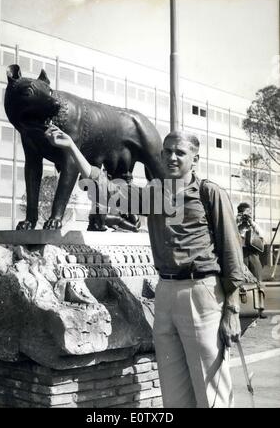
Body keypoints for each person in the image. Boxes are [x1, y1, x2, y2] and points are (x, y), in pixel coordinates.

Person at [45, 125, 244, 408]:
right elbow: (104, 188)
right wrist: (70, 147)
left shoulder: (208, 193)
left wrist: (232, 311)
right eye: (167, 152)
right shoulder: (155, 195)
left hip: (202, 291)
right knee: (173, 391)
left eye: (180, 152)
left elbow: (231, 252)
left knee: (212, 392)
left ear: (195, 159)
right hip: (164, 292)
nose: (172, 157)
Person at [236, 202, 264, 282]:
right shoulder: (236, 226)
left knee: (257, 278)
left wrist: (251, 222)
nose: (247, 216)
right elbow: (229, 234)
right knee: (244, 280)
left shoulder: (253, 226)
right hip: (241, 253)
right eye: (246, 213)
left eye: (249, 213)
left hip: (253, 253)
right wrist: (236, 222)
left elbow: (261, 234)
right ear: (240, 213)